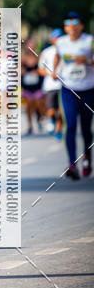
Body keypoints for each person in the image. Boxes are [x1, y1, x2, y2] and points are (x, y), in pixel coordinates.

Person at [53, 11, 94, 180]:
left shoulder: (89, 41)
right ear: (65, 27)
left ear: (81, 26)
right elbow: (57, 57)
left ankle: (87, 159)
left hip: (88, 89)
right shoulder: (61, 43)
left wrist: (88, 61)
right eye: (68, 23)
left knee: (85, 127)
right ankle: (72, 164)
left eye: (75, 22)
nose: (71, 26)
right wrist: (54, 71)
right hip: (68, 89)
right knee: (70, 125)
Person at [38, 29, 63, 139]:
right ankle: (52, 120)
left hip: (64, 86)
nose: (57, 40)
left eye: (59, 37)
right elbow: (40, 69)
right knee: (51, 110)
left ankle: (58, 129)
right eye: (55, 38)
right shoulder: (46, 52)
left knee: (61, 111)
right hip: (50, 86)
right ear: (52, 39)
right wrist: (51, 74)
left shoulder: (67, 50)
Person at [21, 39, 45, 134]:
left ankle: (39, 119)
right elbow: (19, 69)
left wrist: (37, 71)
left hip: (37, 86)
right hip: (27, 86)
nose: (31, 48)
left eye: (33, 46)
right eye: (29, 46)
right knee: (29, 106)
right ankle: (30, 125)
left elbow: (43, 68)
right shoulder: (23, 58)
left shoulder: (39, 57)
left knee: (38, 104)